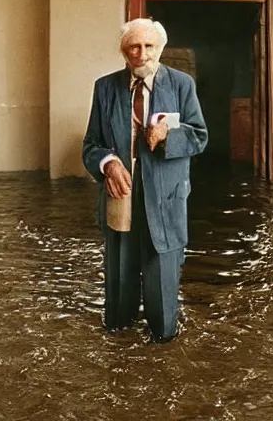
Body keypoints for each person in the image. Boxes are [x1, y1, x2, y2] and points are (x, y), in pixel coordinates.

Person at [81, 18, 208, 343]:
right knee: (119, 286)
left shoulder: (181, 85)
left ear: (160, 49)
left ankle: (163, 345)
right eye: (133, 47)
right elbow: (91, 145)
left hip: (165, 198)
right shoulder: (105, 87)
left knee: (162, 285)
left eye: (148, 46)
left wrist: (169, 135)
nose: (142, 54)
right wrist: (108, 164)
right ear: (124, 52)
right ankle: (119, 344)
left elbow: (200, 137)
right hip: (120, 195)